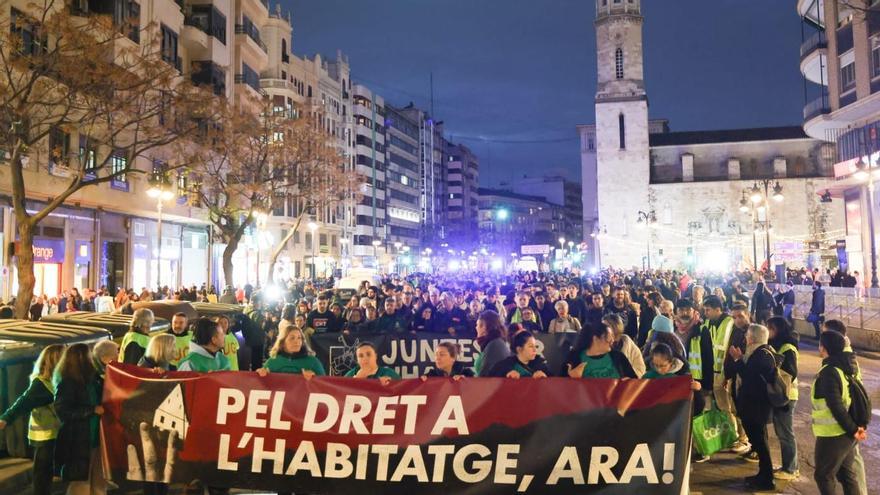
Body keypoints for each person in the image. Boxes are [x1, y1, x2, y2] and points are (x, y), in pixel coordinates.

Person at [0, 344, 64, 495]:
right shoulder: (41, 384)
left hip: (52, 434)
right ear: (56, 360)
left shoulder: (54, 381)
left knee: (46, 473)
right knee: (42, 474)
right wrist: (6, 419)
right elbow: (23, 402)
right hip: (44, 436)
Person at [811, 330, 865, 495]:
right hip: (846, 433)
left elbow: (836, 406)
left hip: (835, 434)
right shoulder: (843, 366)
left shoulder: (829, 371)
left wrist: (853, 430)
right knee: (846, 473)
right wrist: (855, 430)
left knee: (823, 475)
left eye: (820, 344)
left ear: (824, 347)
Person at [727, 324, 777, 491]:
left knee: (760, 443)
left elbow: (749, 377)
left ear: (752, 337)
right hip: (753, 406)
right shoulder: (759, 353)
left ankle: (767, 479)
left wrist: (737, 360)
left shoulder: (761, 355)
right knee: (759, 442)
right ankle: (763, 475)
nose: (745, 338)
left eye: (747, 335)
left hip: (756, 407)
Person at [54, 343, 107, 495]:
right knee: (81, 481)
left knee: (98, 479)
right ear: (81, 358)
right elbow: (62, 410)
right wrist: (91, 410)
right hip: (80, 440)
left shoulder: (94, 378)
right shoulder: (68, 382)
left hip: (97, 438)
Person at [764, 316, 800, 481]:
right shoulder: (777, 345)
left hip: (786, 395)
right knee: (781, 431)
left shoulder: (787, 347)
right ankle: (788, 466)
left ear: (777, 329)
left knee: (785, 432)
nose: (768, 331)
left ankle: (791, 468)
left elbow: (791, 372)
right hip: (779, 394)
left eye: (770, 328)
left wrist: (775, 378)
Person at [564, 323, 637, 379]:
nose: (612, 340)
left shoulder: (618, 356)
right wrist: (573, 379)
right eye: (609, 336)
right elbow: (560, 387)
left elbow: (634, 379)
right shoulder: (574, 357)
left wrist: (629, 381)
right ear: (595, 339)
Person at [258, 327, 326, 377]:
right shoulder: (272, 362)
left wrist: (314, 378)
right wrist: (259, 375)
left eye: (299, 338)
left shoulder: (313, 362)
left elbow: (325, 385)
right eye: (292, 338)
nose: (297, 341)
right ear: (282, 342)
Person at [486, 330, 550, 378]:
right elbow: (490, 379)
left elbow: (553, 382)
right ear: (519, 349)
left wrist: (544, 377)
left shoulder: (540, 364)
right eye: (531, 346)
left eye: (535, 346)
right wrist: (506, 374)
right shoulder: (505, 365)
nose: (535, 350)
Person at [474, 310, 510, 377]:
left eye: (477, 325)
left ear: (484, 327)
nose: (476, 328)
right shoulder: (495, 342)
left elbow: (484, 376)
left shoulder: (494, 345)